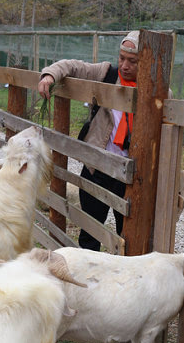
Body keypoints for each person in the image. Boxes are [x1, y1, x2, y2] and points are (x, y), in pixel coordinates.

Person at [38, 31, 139, 250]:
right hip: (98, 168)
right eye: (121, 58)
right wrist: (50, 75)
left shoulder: (154, 90)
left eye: (132, 61)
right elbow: (72, 66)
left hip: (130, 174)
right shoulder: (107, 74)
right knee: (90, 231)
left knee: (129, 236)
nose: (124, 65)